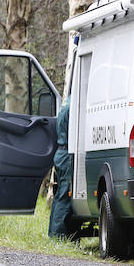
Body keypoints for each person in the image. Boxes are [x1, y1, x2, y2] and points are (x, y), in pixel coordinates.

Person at [48, 96, 73, 239]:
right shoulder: (74, 106)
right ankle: (58, 236)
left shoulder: (67, 103)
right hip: (67, 153)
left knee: (59, 196)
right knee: (64, 196)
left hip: (62, 152)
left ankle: (54, 233)